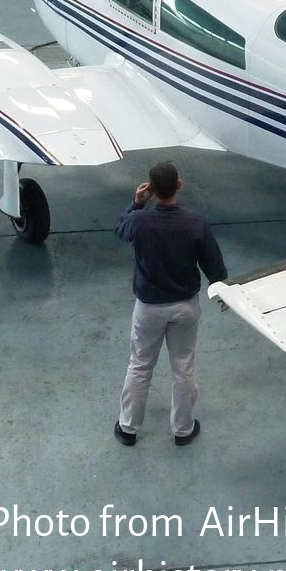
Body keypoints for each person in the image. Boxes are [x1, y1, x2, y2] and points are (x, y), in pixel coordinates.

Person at [113, 161, 226, 447]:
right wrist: (222, 289)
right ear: (179, 184)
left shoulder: (140, 222)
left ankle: (128, 428)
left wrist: (136, 204)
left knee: (139, 365)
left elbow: (121, 229)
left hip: (149, 307)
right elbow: (213, 263)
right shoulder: (195, 223)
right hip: (185, 307)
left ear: (150, 190)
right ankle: (183, 430)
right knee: (183, 367)